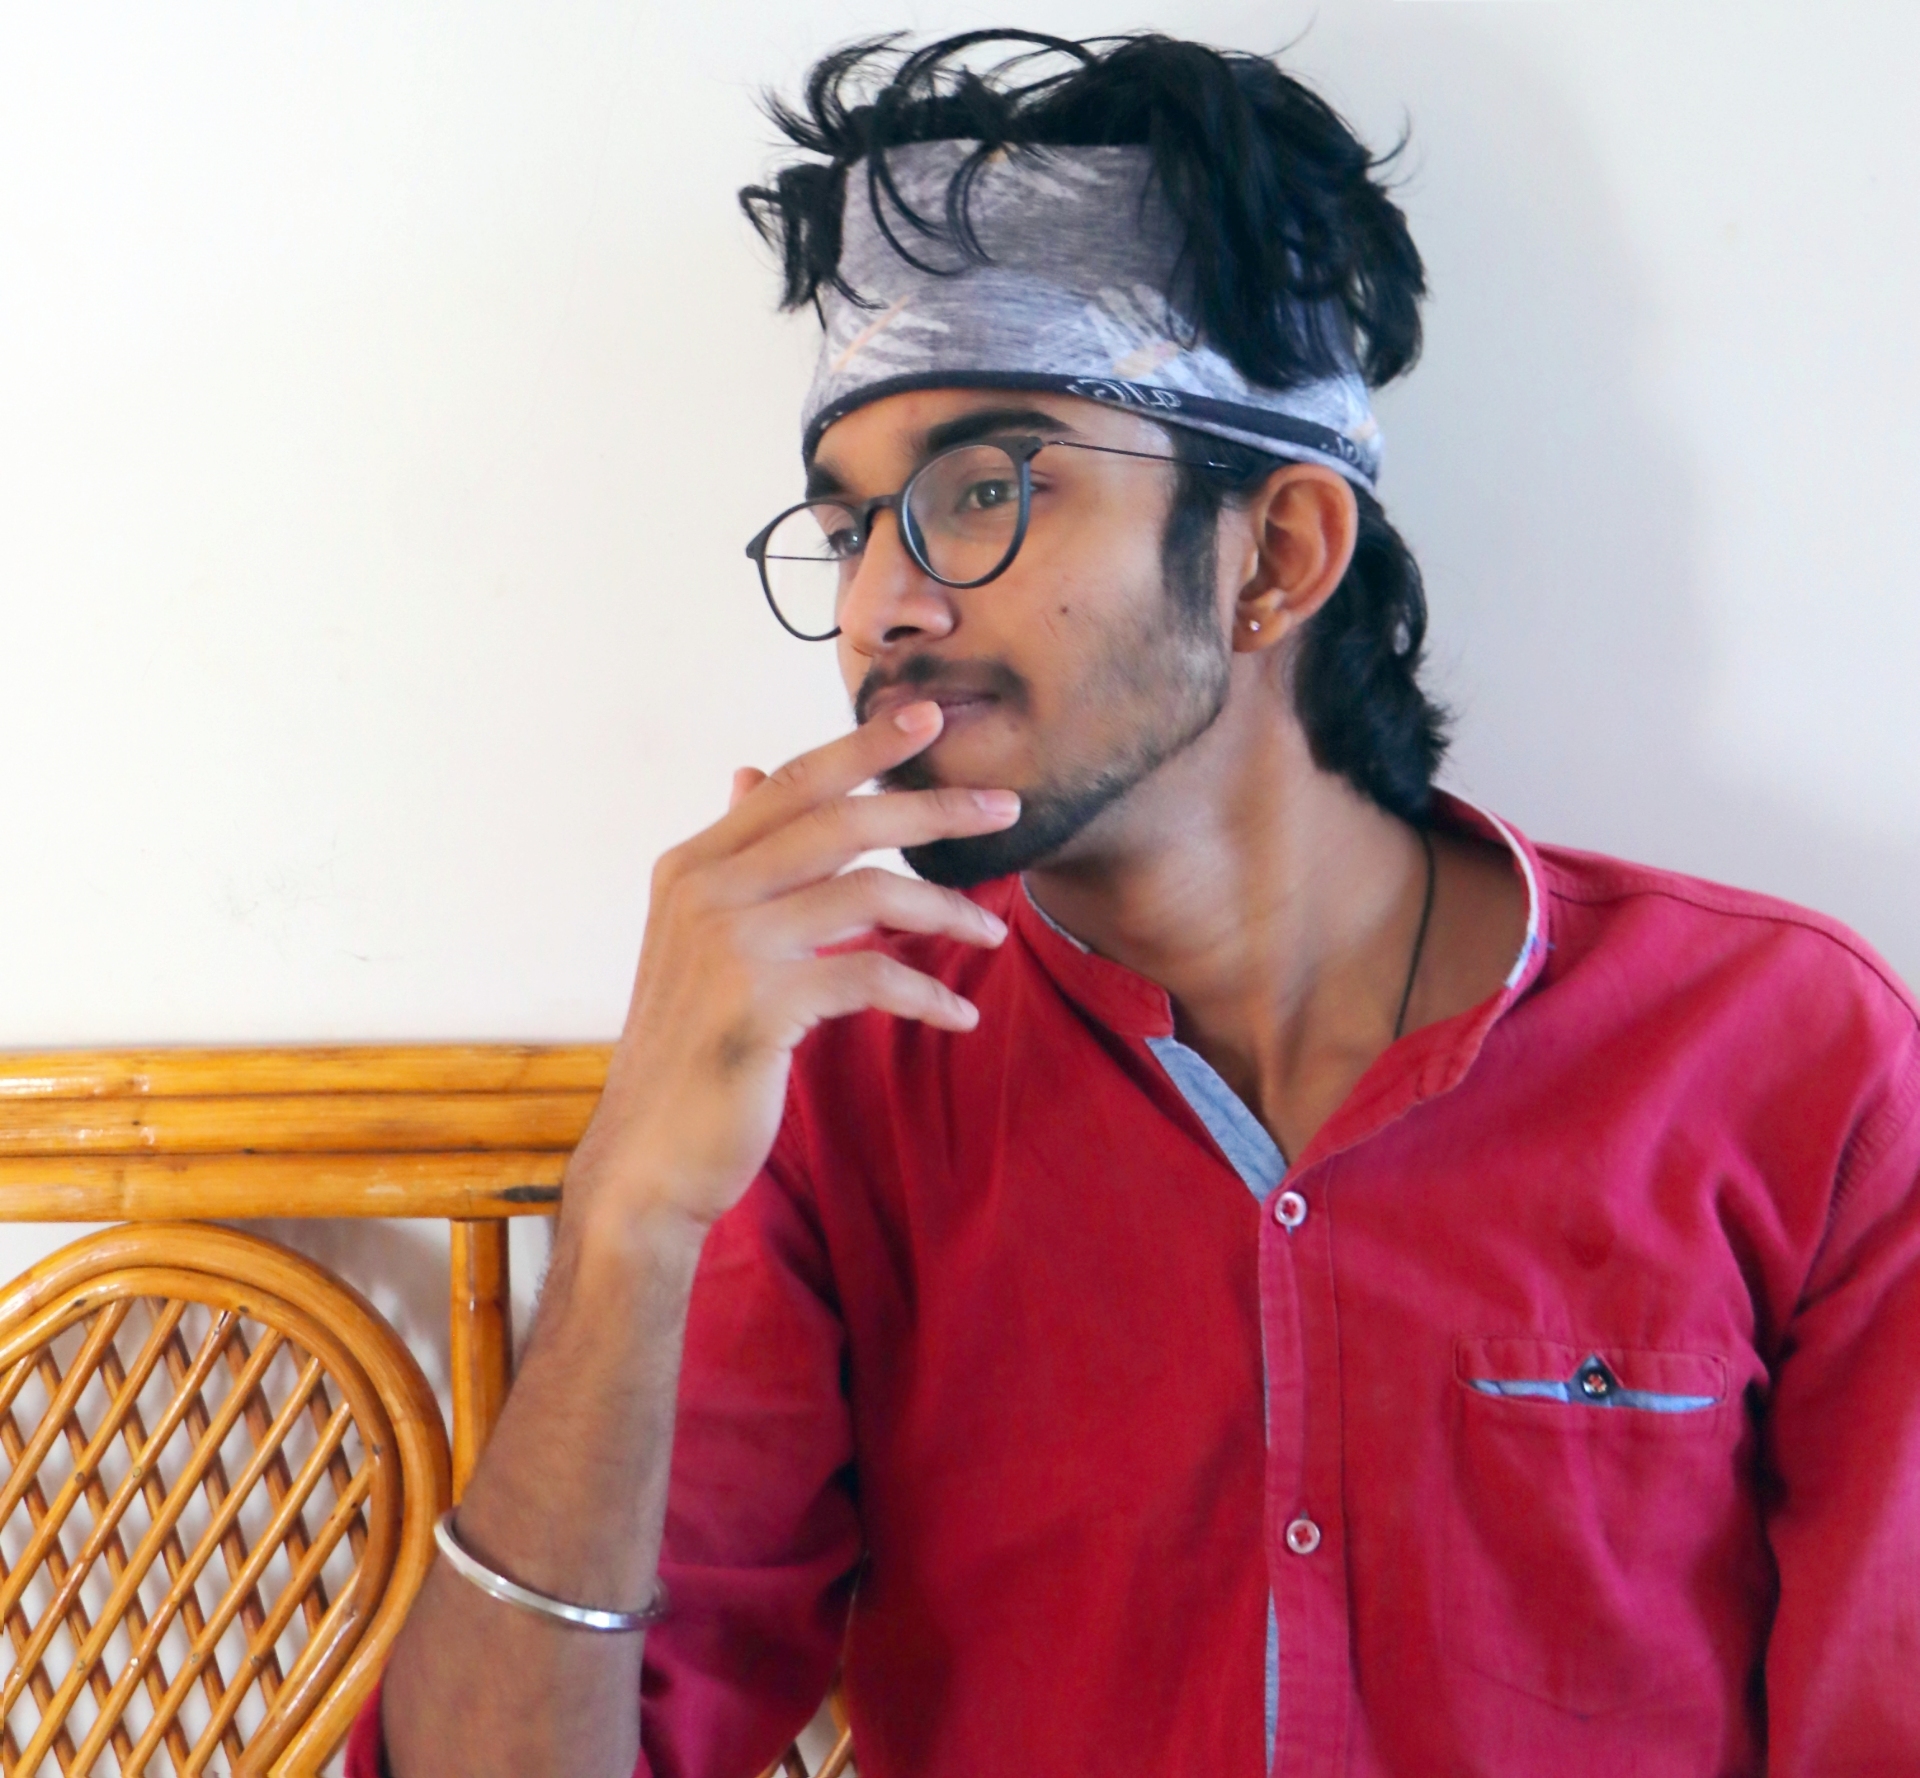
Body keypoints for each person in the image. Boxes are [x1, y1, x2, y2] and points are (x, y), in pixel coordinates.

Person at [358, 30, 1920, 1778]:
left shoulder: (1787, 1060)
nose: (879, 606)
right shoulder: (836, 1079)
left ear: (1277, 555)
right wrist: (630, 1218)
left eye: (984, 489)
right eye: (852, 527)